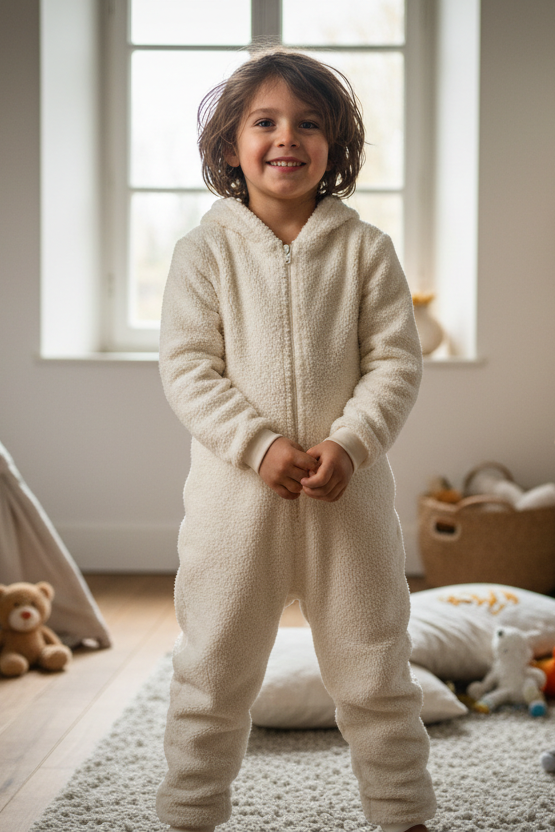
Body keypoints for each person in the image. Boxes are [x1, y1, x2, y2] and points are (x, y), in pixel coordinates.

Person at [155, 49, 436, 832]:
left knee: (377, 672)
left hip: (349, 502)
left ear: (335, 146)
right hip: (232, 509)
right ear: (230, 146)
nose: (288, 138)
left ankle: (404, 814)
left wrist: (349, 444)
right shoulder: (203, 253)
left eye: (309, 124)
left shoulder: (366, 251)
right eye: (266, 122)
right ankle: (189, 814)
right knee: (211, 671)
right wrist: (257, 445)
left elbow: (394, 365)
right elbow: (188, 370)